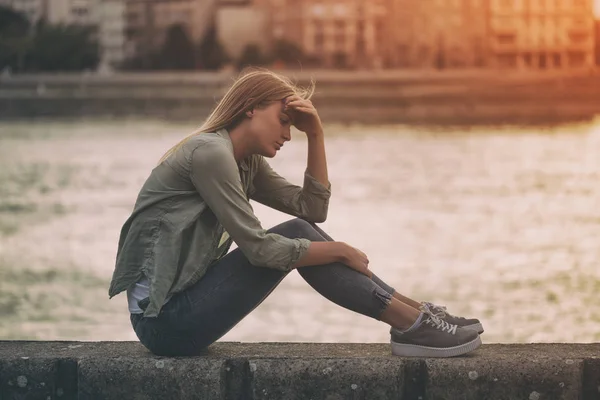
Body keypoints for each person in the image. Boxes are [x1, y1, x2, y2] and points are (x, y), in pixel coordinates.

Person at [108, 68, 484, 358]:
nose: (289, 133)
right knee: (292, 235)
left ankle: (416, 316)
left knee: (299, 227)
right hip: (164, 324)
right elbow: (260, 250)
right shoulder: (209, 153)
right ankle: (411, 323)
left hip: (184, 310)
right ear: (250, 108)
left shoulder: (245, 162)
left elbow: (312, 209)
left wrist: (316, 135)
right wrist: (340, 250)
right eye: (284, 120)